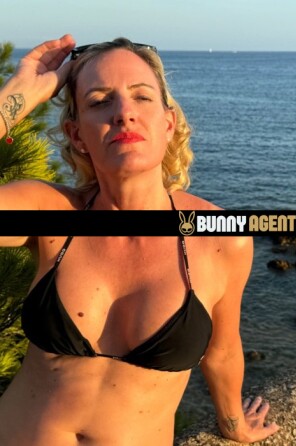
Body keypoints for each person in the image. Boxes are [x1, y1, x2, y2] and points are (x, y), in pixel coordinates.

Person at [0, 34, 279, 446]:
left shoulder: (221, 236)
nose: (124, 113)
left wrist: (234, 424)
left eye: (142, 97)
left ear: (168, 124)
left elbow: (222, 351)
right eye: (99, 101)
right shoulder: (48, 211)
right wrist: (17, 98)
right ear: (77, 135)